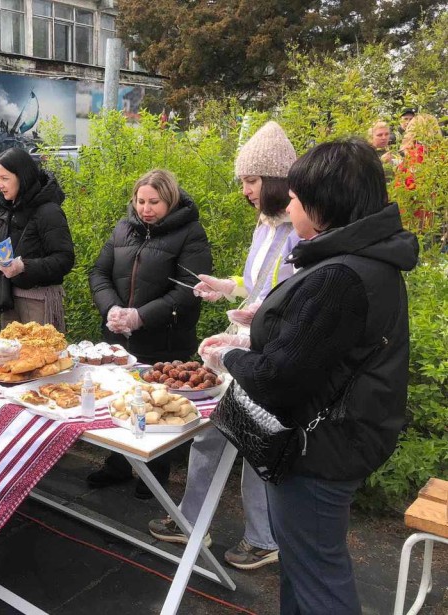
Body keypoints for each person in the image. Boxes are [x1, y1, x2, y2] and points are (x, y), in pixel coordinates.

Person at [200, 138, 417, 613]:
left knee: (318, 574)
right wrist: (260, 331)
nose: (289, 205)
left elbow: (279, 378)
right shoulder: (364, 258)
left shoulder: (341, 274)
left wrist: (229, 357)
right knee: (302, 563)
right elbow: (321, 348)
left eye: (296, 198)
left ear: (323, 204)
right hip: (337, 435)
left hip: (320, 447)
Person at [148, 121, 298, 569]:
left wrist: (253, 322)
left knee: (256, 440)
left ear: (274, 179)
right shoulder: (266, 224)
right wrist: (225, 286)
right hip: (246, 345)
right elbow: (256, 285)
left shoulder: (300, 229)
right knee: (212, 430)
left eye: (251, 181)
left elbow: (290, 296)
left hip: (268, 352)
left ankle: (263, 537)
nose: (246, 190)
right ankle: (191, 518)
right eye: (243, 182)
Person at [87, 168, 212, 499]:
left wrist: (141, 317)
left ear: (169, 200)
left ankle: (154, 478)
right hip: (119, 340)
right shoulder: (123, 228)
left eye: (154, 202)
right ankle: (116, 465)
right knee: (119, 402)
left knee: (159, 409)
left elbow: (189, 288)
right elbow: (99, 272)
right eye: (140, 201)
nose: (145, 209)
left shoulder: (190, 233)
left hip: (165, 342)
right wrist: (111, 309)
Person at [0, 147, 74, 330]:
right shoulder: (2, 211)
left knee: (39, 354)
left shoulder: (48, 211)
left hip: (39, 300)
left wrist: (23, 266)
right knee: (9, 356)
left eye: (5, 178)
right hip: (7, 298)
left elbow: (64, 259)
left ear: (23, 177)